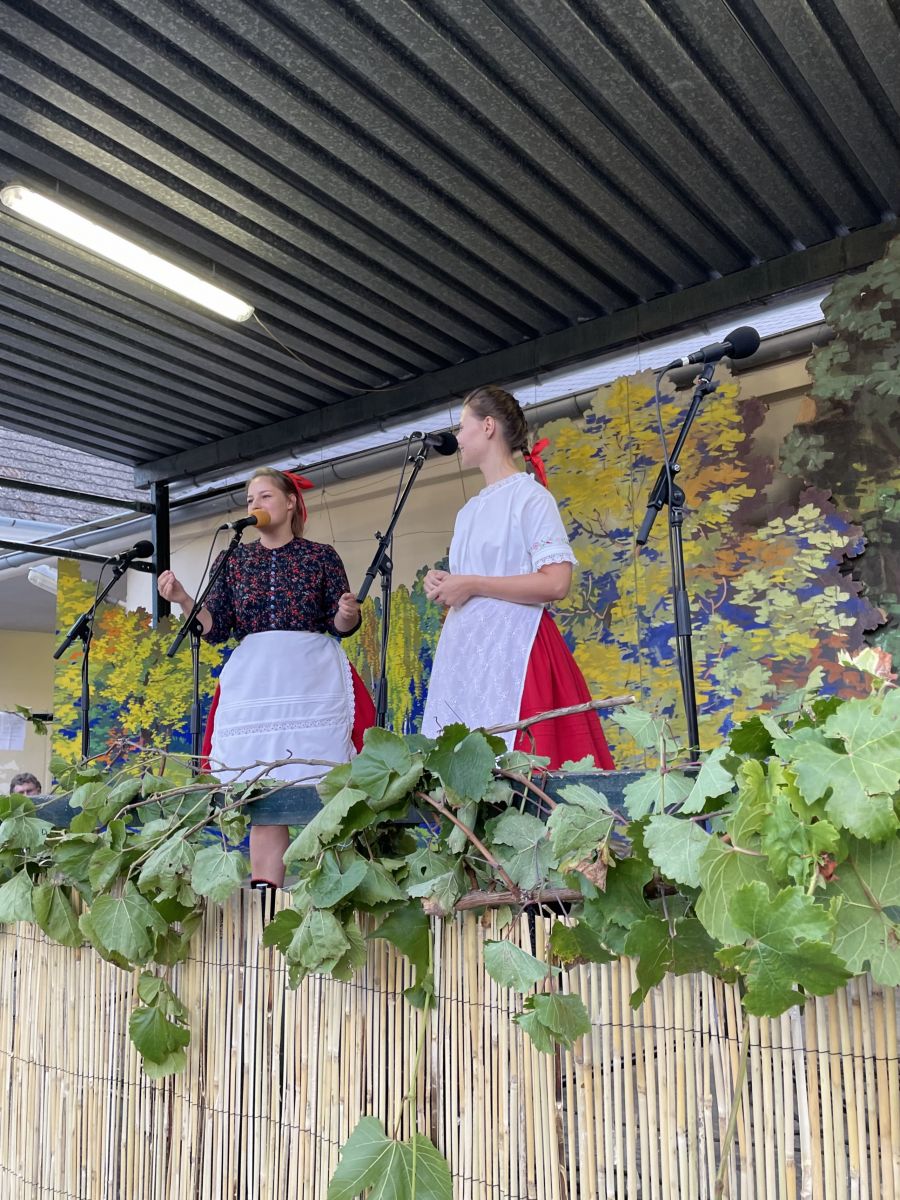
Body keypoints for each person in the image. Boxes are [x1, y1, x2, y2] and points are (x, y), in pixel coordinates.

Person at [158, 468, 374, 892]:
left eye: (265, 496)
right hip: (256, 680)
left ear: (291, 502)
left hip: (311, 677)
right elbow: (216, 628)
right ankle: (266, 893)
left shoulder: (321, 556)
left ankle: (335, 886)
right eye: (250, 499)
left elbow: (340, 624)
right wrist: (183, 599)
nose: (254, 505)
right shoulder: (234, 559)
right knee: (263, 788)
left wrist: (348, 614)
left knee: (322, 777)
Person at [421, 386, 614, 769]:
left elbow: (556, 583)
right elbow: (473, 579)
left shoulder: (530, 497)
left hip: (518, 649)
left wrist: (473, 583)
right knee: (464, 773)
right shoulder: (469, 511)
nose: (458, 437)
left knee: (524, 768)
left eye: (463, 425)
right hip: (470, 656)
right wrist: (447, 583)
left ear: (488, 426)